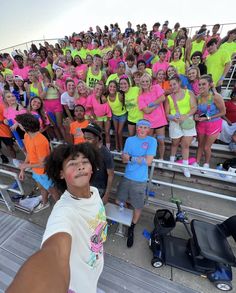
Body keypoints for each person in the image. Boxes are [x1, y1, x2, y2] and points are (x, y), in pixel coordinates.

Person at [6, 143, 107, 293]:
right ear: (61, 173)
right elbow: (54, 252)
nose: (80, 166)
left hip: (92, 274)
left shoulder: (95, 193)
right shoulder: (64, 211)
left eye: (85, 162)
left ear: (92, 168)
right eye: (72, 163)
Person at [116, 119, 157, 247]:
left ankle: (132, 227)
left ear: (149, 129)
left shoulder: (152, 141)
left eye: (145, 127)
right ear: (136, 128)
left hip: (140, 180)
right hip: (127, 176)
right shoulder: (129, 140)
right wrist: (138, 159)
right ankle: (127, 219)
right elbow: (123, 159)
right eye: (140, 127)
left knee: (138, 206)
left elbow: (148, 161)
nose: (142, 130)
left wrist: (131, 158)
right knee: (119, 201)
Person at [15, 113, 59, 207]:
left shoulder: (40, 141)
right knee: (42, 188)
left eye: (20, 124)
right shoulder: (27, 136)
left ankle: (62, 210)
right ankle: (44, 203)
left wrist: (26, 166)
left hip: (44, 172)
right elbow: (30, 154)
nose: (18, 125)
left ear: (25, 126)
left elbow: (43, 164)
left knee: (54, 192)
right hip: (36, 171)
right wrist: (22, 169)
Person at [165, 75, 197, 177]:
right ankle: (172, 159)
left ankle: (185, 166)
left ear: (179, 83)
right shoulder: (169, 97)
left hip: (187, 121)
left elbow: (194, 108)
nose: (172, 86)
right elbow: (167, 113)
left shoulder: (189, 93)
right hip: (175, 122)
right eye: (170, 85)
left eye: (174, 84)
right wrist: (173, 118)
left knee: (185, 145)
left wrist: (185, 116)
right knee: (175, 143)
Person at [194, 75, 226, 168]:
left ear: (210, 85)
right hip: (202, 123)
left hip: (214, 124)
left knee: (206, 147)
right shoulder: (198, 97)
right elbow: (198, 111)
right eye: (199, 84)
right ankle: (197, 162)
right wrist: (196, 115)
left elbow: (223, 112)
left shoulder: (216, 97)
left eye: (203, 84)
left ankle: (206, 164)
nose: (201, 86)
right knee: (200, 145)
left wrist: (208, 118)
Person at [138, 73, 167, 163]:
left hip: (160, 121)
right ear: (140, 83)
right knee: (147, 142)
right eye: (143, 81)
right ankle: (148, 158)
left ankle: (161, 158)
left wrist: (151, 104)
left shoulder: (156, 87)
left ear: (150, 82)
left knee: (161, 141)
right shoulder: (140, 96)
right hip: (148, 123)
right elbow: (146, 111)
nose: (145, 83)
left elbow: (162, 97)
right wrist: (156, 104)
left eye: (147, 81)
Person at [83, 122, 114, 204]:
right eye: (85, 138)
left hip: (99, 189)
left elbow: (110, 175)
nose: (86, 141)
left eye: (89, 139)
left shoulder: (106, 154)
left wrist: (106, 195)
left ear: (98, 138)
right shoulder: (87, 149)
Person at [107, 80, 127, 151]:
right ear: (108, 87)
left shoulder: (119, 95)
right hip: (114, 116)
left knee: (119, 132)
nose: (112, 88)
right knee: (116, 131)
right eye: (111, 86)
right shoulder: (107, 97)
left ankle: (121, 148)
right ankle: (116, 147)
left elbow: (126, 103)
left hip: (122, 115)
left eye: (114, 87)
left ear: (116, 88)